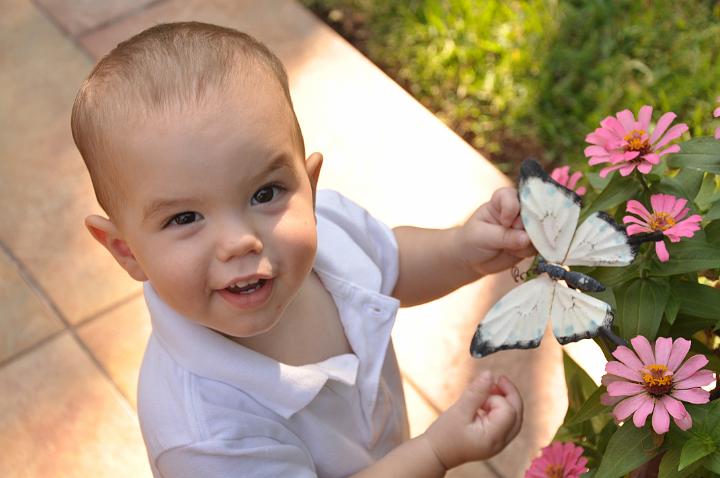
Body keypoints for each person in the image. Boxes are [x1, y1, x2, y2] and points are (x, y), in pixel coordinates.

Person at [71, 21, 534, 478]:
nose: (240, 241)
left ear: (308, 188)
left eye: (265, 193)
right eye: (184, 218)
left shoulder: (327, 234)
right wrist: (433, 453)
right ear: (125, 250)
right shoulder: (205, 434)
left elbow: (390, 263)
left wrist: (463, 251)